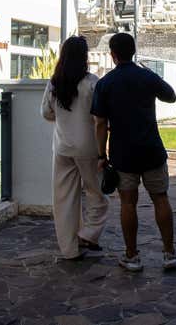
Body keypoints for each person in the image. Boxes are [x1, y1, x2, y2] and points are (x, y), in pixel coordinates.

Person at [91, 32, 176, 271]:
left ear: (112, 55)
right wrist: (150, 77)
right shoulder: (146, 76)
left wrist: (101, 155)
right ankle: (169, 253)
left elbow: (100, 123)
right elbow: (171, 96)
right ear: (133, 51)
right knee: (161, 198)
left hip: (123, 154)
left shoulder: (105, 84)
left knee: (128, 203)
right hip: (152, 149)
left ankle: (132, 256)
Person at [41, 36, 109, 260]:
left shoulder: (54, 82)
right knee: (97, 195)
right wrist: (103, 152)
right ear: (84, 57)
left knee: (64, 199)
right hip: (88, 148)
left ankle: (69, 250)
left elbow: (46, 113)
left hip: (62, 147)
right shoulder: (92, 83)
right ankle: (88, 234)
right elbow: (100, 117)